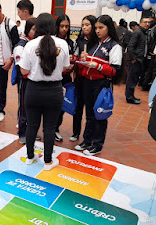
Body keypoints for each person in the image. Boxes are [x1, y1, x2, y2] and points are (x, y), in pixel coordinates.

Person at [20, 13, 70, 171]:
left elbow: (23, 70)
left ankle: (29, 157)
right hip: (54, 91)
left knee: (31, 125)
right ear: (54, 27)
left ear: (38, 27)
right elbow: (64, 68)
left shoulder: (30, 45)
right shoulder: (62, 44)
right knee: (49, 127)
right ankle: (48, 161)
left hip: (33, 90)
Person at [76, 15, 123, 156]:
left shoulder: (114, 46)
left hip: (102, 84)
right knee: (89, 113)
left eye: (101, 28)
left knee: (100, 115)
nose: (97, 31)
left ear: (109, 28)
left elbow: (115, 70)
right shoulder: (93, 43)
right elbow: (86, 63)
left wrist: (97, 66)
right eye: (96, 28)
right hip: (88, 82)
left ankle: (97, 144)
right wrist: (82, 59)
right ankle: (87, 140)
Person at [72, 15, 97, 149]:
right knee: (78, 106)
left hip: (91, 79)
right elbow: (75, 55)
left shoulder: (97, 42)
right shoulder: (80, 40)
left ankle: (89, 136)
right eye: (83, 25)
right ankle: (76, 132)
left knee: (90, 108)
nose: (84, 27)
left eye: (87, 24)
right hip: (80, 78)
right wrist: (76, 58)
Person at [14, 17, 36, 144]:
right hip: (24, 80)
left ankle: (30, 131)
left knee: (32, 107)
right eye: (33, 29)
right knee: (24, 106)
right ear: (28, 29)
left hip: (33, 80)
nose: (35, 31)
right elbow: (21, 67)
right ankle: (22, 132)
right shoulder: (21, 45)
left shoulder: (34, 42)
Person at [54, 14, 76, 142]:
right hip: (51, 78)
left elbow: (74, 60)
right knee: (49, 105)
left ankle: (56, 128)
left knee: (61, 105)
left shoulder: (71, 43)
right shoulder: (50, 40)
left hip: (65, 79)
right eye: (62, 26)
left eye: (67, 26)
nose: (64, 29)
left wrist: (71, 65)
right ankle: (48, 128)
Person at [125, 17, 151, 105]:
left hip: (140, 59)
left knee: (135, 79)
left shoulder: (145, 33)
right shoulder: (138, 32)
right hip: (136, 59)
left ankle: (131, 96)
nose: (147, 24)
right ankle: (129, 97)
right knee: (132, 79)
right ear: (140, 23)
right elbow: (130, 46)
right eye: (145, 22)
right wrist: (133, 59)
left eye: (148, 22)